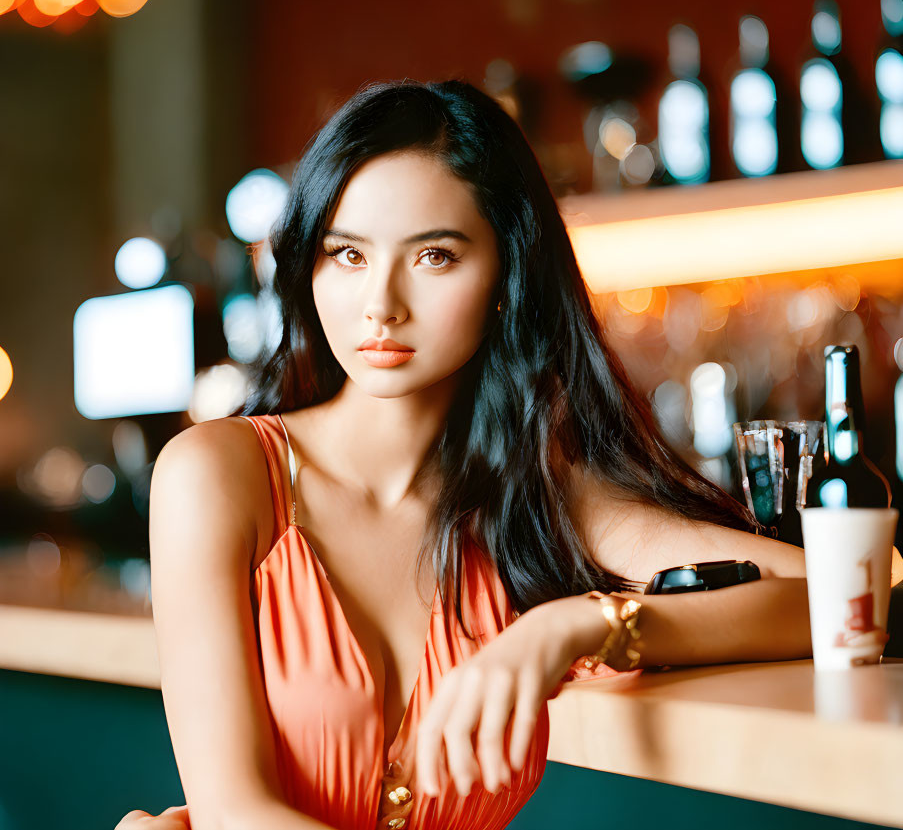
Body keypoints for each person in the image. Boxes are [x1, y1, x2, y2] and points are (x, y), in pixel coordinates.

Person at [116, 79, 809, 830]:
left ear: (506, 278)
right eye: (345, 254)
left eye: (434, 257)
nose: (380, 302)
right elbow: (236, 812)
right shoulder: (217, 476)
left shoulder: (537, 500)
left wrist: (577, 624)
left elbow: (832, 598)